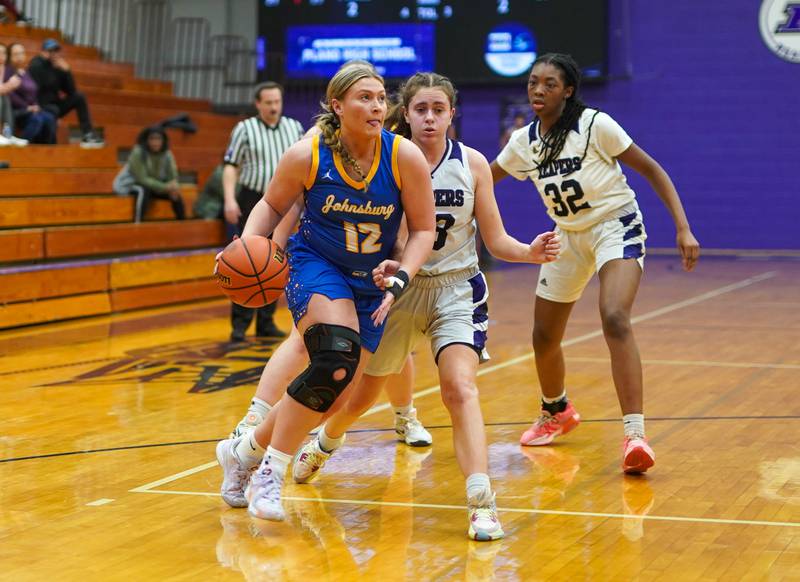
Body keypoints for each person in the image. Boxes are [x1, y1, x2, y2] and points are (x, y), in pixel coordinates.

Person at [291, 72, 560, 541]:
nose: (430, 118)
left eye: (439, 109)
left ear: (452, 114)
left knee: (459, 388)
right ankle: (327, 439)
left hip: (457, 289)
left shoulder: (473, 164)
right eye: (421, 109)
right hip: (399, 291)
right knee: (361, 395)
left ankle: (481, 503)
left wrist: (529, 252)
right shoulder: (386, 159)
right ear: (407, 114)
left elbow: (494, 240)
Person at [215, 62, 436, 526]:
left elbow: (423, 229)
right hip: (316, 267)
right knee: (333, 356)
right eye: (364, 97)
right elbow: (272, 205)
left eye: (381, 97)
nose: (377, 106)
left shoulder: (404, 157)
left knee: (333, 396)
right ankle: (269, 473)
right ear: (337, 105)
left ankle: (242, 451)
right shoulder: (307, 153)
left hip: (371, 281)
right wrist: (250, 248)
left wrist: (402, 275)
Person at [490, 53, 700, 473]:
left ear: (568, 90)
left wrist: (683, 226)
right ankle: (557, 411)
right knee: (543, 336)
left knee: (615, 316)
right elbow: (483, 179)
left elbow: (652, 169)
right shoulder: (523, 142)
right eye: (533, 82)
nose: (538, 90)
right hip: (566, 234)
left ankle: (635, 435)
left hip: (614, 225)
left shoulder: (595, 126)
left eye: (549, 83)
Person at [223, 82, 304, 341]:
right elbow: (230, 166)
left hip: (287, 202)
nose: (273, 107)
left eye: (277, 102)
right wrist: (229, 200)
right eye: (268, 102)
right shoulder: (244, 128)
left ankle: (266, 321)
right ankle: (240, 324)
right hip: (253, 200)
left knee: (275, 261)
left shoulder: (295, 127)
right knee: (246, 262)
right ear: (258, 104)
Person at [28, 38, 104, 147]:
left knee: (79, 97)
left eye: (56, 51)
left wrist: (67, 71)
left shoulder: (59, 67)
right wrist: (49, 64)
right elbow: (39, 86)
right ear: (43, 52)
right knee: (53, 110)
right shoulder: (36, 64)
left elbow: (71, 91)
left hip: (55, 105)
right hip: (41, 105)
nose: (54, 54)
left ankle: (88, 134)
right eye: (50, 51)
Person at [112, 126, 185, 222]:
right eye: (152, 139)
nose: (155, 142)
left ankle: (182, 225)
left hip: (155, 186)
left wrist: (174, 186)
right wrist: (165, 187)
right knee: (143, 190)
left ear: (163, 141)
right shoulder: (138, 152)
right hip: (130, 184)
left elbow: (173, 176)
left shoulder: (167, 154)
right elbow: (142, 179)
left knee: (176, 194)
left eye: (158, 139)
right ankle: (137, 225)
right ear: (146, 140)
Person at [4, 43, 55, 144]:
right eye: (16, 54)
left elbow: (33, 91)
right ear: (10, 57)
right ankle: (22, 146)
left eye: (21, 53)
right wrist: (27, 107)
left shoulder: (25, 72)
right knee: (37, 119)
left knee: (49, 118)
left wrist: (35, 105)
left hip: (30, 109)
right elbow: (10, 95)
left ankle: (46, 150)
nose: (19, 56)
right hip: (16, 110)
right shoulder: (8, 71)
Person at [0, 43, 27, 146]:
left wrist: (8, 86)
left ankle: (8, 134)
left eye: (4, 53)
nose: (1, 55)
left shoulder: (5, 68)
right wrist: (9, 85)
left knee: (5, 97)